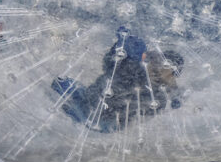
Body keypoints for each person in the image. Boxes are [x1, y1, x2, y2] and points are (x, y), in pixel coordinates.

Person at [52, 26, 184, 133]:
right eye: (155, 66)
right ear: (148, 59)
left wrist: (174, 98)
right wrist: (120, 46)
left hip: (104, 123)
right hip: (90, 100)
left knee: (68, 108)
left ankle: (70, 110)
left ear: (172, 79)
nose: (157, 73)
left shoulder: (158, 97)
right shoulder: (132, 66)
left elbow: (142, 117)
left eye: (165, 74)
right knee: (60, 86)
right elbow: (109, 64)